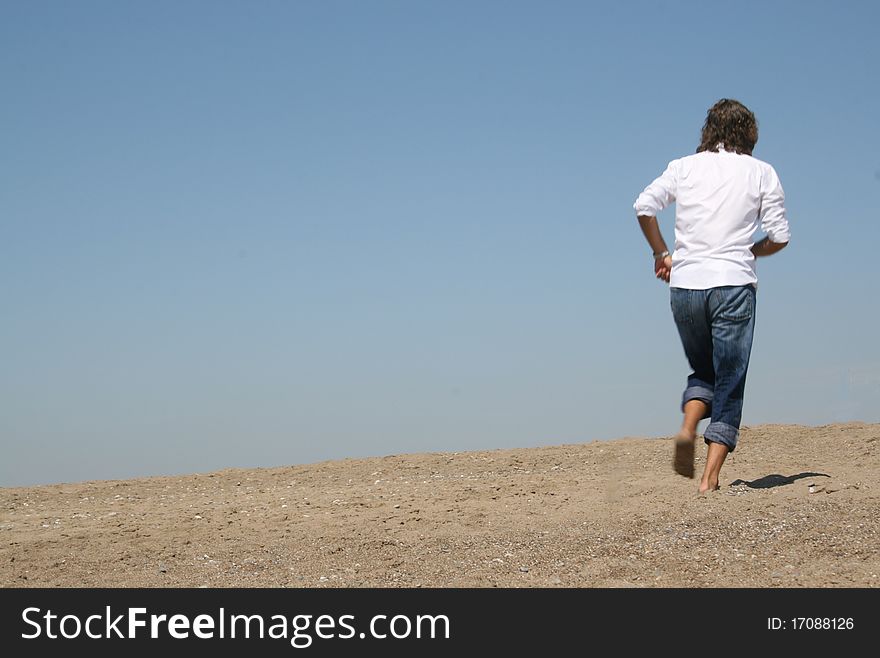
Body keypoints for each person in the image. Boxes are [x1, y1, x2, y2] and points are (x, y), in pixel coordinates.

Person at [632, 98, 790, 493]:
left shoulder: (683, 166)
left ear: (709, 130)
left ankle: (688, 427)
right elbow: (780, 237)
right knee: (730, 381)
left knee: (705, 372)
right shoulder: (761, 172)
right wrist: (753, 251)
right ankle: (709, 478)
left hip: (685, 286)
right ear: (749, 133)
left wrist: (661, 253)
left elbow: (644, 206)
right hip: (733, 285)